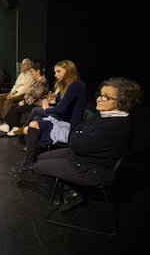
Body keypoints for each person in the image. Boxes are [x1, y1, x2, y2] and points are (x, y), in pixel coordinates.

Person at [27, 77, 143, 211]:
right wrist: (78, 135)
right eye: (100, 94)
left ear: (122, 102)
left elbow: (76, 143)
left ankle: (69, 196)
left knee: (38, 167)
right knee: (41, 157)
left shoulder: (117, 125)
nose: (99, 99)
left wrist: (78, 135)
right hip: (81, 157)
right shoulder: (105, 114)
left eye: (106, 97)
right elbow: (78, 131)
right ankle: (70, 188)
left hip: (91, 170)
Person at [10, 59, 87, 173]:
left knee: (34, 119)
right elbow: (61, 106)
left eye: (58, 71)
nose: (56, 75)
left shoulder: (75, 86)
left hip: (68, 127)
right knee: (33, 123)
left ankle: (28, 160)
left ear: (69, 71)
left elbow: (60, 110)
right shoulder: (71, 86)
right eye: (55, 72)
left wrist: (46, 108)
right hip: (61, 120)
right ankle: (29, 159)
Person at [0, 62, 49, 136]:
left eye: (32, 71)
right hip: (30, 102)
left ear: (38, 71)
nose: (31, 73)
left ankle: (15, 127)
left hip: (36, 104)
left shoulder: (42, 81)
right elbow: (28, 94)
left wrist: (26, 100)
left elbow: (36, 95)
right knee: (14, 106)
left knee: (17, 108)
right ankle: (7, 125)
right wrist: (25, 99)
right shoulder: (35, 81)